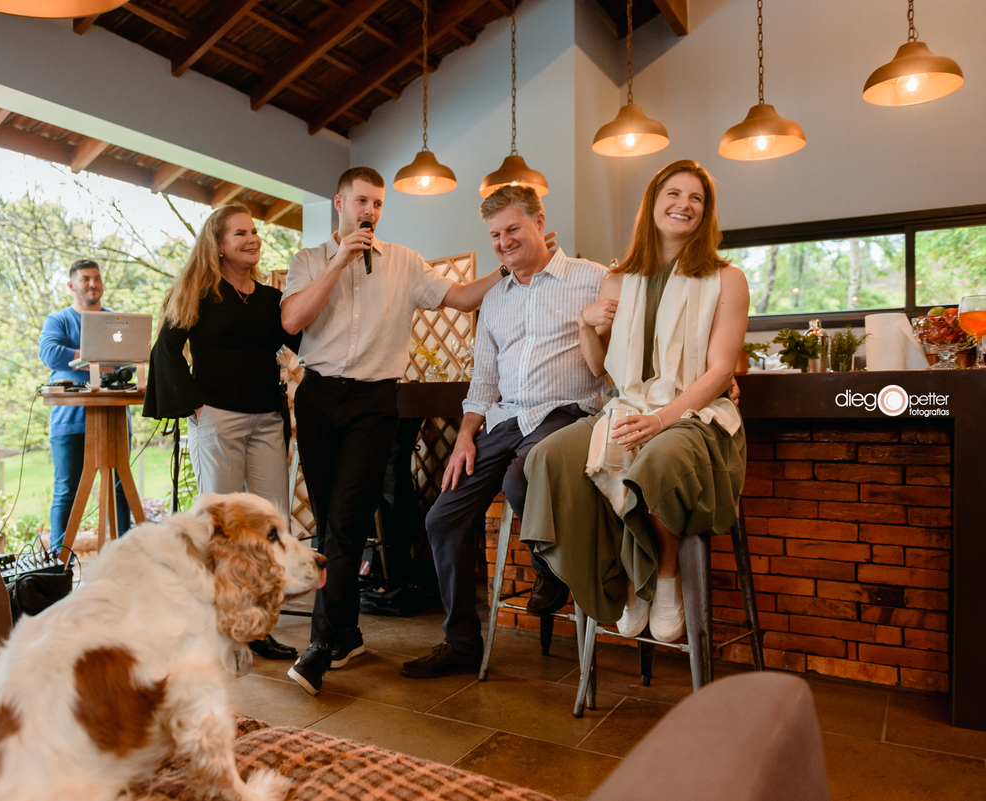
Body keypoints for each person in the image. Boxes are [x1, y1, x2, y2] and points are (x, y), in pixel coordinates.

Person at [279, 166, 510, 695]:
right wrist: (339, 261)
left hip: (375, 401)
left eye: (378, 204)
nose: (371, 212)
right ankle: (347, 634)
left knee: (344, 521)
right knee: (328, 525)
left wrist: (508, 265)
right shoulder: (309, 260)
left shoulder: (404, 262)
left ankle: (321, 647)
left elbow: (463, 298)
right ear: (340, 202)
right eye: (362, 201)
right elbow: (293, 322)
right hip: (317, 398)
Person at [519, 159, 749, 643]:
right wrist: (585, 324)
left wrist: (661, 420)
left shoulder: (727, 279)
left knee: (657, 458)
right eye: (673, 194)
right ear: (652, 204)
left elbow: (721, 370)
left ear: (706, 212)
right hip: (627, 408)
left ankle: (663, 577)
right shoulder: (618, 279)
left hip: (695, 416)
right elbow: (599, 368)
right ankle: (620, 578)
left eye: (696, 198)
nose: (684, 205)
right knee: (548, 457)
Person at [401, 185, 610, 678]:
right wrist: (465, 436)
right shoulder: (494, 298)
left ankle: (549, 567)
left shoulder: (594, 279)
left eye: (513, 229)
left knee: (523, 476)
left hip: (567, 412)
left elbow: (628, 346)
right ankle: (461, 643)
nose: (503, 241)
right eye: (495, 235)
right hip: (504, 419)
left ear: (540, 222)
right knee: (443, 518)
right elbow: (484, 381)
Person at [143, 204, 302, 662]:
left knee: (271, 524)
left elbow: (298, 341)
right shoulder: (199, 293)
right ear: (217, 245)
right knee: (224, 529)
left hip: (267, 420)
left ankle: (259, 625)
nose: (252, 239)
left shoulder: (271, 299)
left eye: (254, 232)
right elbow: (165, 350)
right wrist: (197, 404)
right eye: (240, 234)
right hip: (219, 421)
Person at [38, 259, 132, 555]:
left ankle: (124, 557)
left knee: (120, 488)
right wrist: (98, 356)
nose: (93, 284)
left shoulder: (117, 321)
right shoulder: (58, 320)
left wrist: (83, 358)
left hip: (115, 419)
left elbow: (131, 360)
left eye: (97, 278)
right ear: (71, 285)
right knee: (67, 490)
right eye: (85, 279)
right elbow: (50, 353)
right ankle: (58, 562)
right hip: (70, 421)